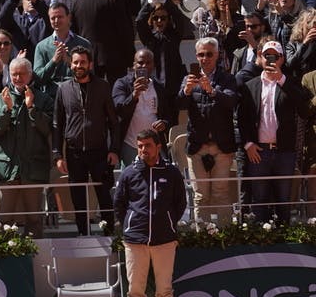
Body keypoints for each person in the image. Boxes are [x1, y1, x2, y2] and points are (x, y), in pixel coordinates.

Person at [114, 129, 187, 297]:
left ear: (158, 147)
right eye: (140, 146)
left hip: (165, 240)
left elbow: (180, 203)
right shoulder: (128, 173)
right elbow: (119, 205)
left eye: (147, 145)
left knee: (164, 289)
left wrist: (169, 224)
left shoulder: (172, 173)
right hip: (135, 240)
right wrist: (129, 226)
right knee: (136, 289)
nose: (143, 150)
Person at [237, 40, 311, 223]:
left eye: (275, 56)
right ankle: (263, 237)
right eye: (266, 55)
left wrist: (282, 80)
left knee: (283, 199)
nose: (270, 60)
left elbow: (304, 108)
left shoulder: (291, 82)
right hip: (258, 151)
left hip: (284, 151)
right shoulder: (250, 86)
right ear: (260, 57)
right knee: (259, 199)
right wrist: (248, 144)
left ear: (282, 59)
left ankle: (284, 238)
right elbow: (242, 118)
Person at [52, 47, 119, 236]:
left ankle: (109, 233)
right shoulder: (63, 89)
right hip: (74, 153)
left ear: (90, 64)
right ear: (70, 64)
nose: (78, 66)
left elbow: (114, 122)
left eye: (82, 62)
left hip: (99, 150)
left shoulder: (103, 86)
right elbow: (57, 124)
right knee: (78, 197)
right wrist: (57, 155)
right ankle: (83, 233)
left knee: (104, 194)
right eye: (75, 62)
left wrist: (114, 149)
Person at [0, 57, 52, 237]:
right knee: (5, 219)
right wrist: (6, 109)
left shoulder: (43, 99)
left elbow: (49, 128)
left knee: (34, 219)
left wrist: (31, 108)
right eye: (14, 74)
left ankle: (35, 258)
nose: (18, 78)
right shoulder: (0, 99)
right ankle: (5, 257)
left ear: (30, 75)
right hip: (8, 168)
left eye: (22, 74)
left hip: (33, 167)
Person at [177, 37, 238, 225]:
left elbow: (232, 102)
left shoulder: (227, 78)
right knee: (200, 195)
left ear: (217, 55)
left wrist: (212, 91)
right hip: (197, 146)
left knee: (221, 193)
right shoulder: (188, 79)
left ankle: (226, 236)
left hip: (221, 146)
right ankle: (201, 237)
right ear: (196, 56)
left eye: (209, 54)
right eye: (201, 54)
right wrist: (186, 92)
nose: (205, 58)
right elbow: (178, 105)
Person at [112, 49, 176, 165]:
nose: (144, 66)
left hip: (154, 144)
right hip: (131, 144)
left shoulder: (159, 87)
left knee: (157, 178)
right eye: (140, 62)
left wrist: (164, 123)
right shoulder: (122, 84)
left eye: (148, 62)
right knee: (132, 179)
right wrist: (134, 95)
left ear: (153, 65)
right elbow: (119, 111)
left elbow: (168, 115)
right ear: (134, 65)